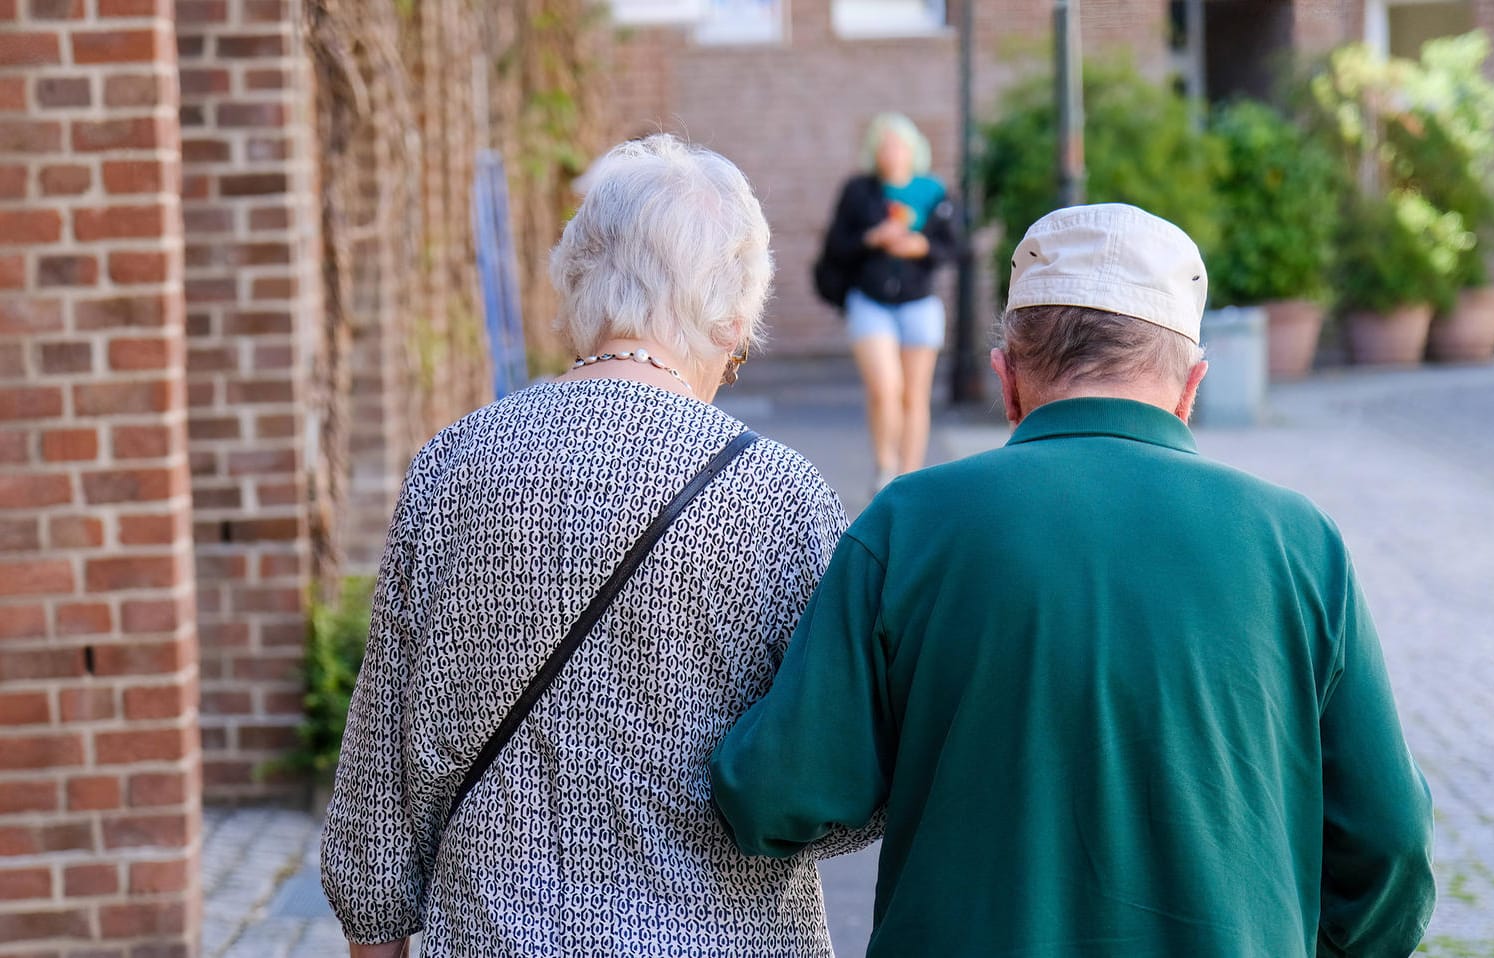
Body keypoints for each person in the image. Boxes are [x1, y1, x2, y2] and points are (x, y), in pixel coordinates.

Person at [712, 204, 1436, 957]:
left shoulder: (909, 523)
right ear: (1191, 385)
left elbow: (777, 794)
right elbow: (1389, 844)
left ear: (1007, 378)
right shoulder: (1298, 542)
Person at [321, 134, 876, 958]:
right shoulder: (781, 499)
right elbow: (834, 781)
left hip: (490, 935)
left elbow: (379, 774)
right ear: (732, 314)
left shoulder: (453, 465)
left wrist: (375, 934)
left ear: (577, 277)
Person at [821, 112, 958, 493]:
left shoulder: (933, 192)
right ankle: (885, 467)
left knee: (915, 395)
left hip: (918, 302)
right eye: (884, 146)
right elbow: (835, 245)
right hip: (871, 300)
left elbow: (953, 245)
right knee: (885, 388)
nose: (891, 153)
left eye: (898, 146)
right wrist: (872, 239)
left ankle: (909, 476)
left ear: (913, 150)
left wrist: (921, 245)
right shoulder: (859, 192)